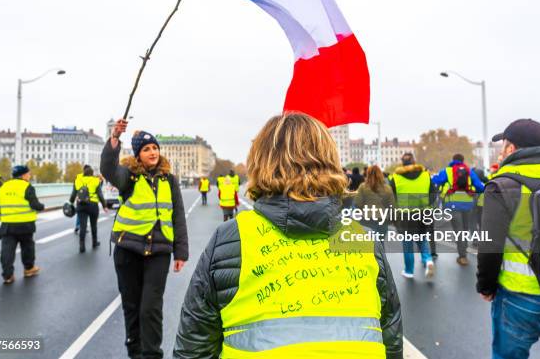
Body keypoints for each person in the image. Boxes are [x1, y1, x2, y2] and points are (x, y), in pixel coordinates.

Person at [173, 113, 403, 359]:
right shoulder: (363, 240)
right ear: (330, 161)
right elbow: (390, 336)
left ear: (261, 162)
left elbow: (193, 349)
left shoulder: (230, 239)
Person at [476, 118, 540, 359]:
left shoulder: (502, 185)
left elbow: (490, 245)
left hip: (521, 297)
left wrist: (486, 285)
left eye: (503, 146)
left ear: (511, 149)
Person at [101, 119, 189, 359]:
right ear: (138, 155)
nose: (153, 152)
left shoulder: (169, 180)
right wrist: (114, 139)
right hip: (128, 249)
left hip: (159, 250)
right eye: (147, 149)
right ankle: (135, 352)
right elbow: (108, 168)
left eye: (155, 148)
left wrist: (180, 252)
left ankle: (152, 355)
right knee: (132, 306)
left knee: (150, 307)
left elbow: (178, 214)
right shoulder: (127, 177)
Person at [389, 153, 437, 279]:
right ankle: (428, 259)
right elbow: (433, 194)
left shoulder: (396, 178)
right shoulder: (425, 175)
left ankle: (409, 271)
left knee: (407, 242)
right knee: (422, 238)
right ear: (414, 162)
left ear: (402, 163)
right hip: (423, 212)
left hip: (405, 215)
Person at [432, 153, 485, 266]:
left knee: (458, 231)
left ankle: (462, 256)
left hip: (452, 205)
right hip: (468, 205)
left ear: (453, 160)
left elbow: (435, 181)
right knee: (464, 230)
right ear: (463, 160)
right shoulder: (470, 172)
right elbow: (480, 187)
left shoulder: (447, 171)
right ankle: (463, 251)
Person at [0, 165, 43, 284]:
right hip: (25, 225)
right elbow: (34, 204)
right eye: (28, 174)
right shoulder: (27, 186)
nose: (29, 176)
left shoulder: (4, 186)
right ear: (23, 175)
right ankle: (28, 269)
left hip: (7, 225)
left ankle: (8, 275)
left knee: (7, 251)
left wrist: (7, 213)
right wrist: (41, 207)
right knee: (27, 248)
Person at [69, 165, 107, 253]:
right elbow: (100, 195)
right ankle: (94, 242)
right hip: (93, 205)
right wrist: (104, 206)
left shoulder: (77, 180)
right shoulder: (95, 181)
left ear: (84, 173)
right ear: (92, 174)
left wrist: (70, 203)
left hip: (81, 205)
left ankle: (82, 246)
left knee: (83, 226)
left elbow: (73, 194)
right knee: (94, 225)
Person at [354, 165, 395, 239]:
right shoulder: (387, 188)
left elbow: (357, 203)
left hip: (367, 218)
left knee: (368, 244)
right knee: (380, 243)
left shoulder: (363, 187)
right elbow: (392, 205)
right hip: (382, 218)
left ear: (368, 174)